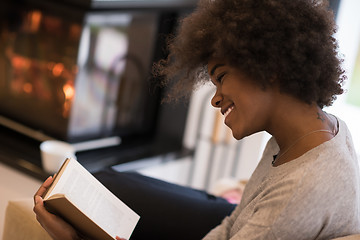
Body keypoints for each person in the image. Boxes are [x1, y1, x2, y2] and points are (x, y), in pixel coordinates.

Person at [34, 0, 360, 239]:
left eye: (222, 77)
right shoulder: (310, 130)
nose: (216, 99)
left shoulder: (301, 191)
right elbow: (233, 225)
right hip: (232, 220)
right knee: (105, 183)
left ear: (269, 66)